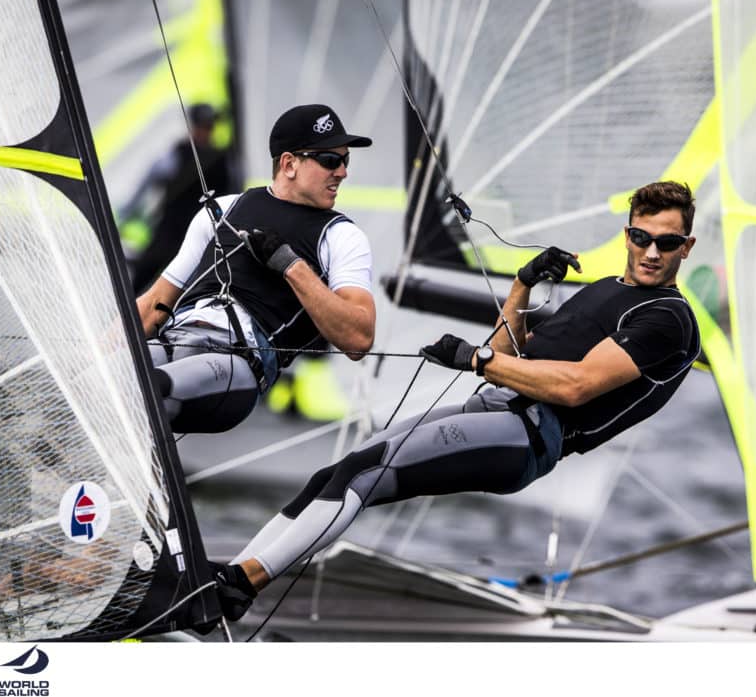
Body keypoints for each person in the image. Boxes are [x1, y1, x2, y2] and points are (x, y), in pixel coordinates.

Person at [210, 180, 701, 620]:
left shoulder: (667, 318)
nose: (652, 252)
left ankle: (237, 586)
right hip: (495, 409)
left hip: (527, 436)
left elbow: (574, 386)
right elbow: (514, 351)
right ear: (628, 234)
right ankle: (230, 577)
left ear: (687, 247)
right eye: (642, 237)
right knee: (337, 472)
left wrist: (473, 358)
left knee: (364, 473)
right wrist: (522, 286)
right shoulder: (606, 289)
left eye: (668, 243)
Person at [136, 104, 377, 434]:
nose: (342, 172)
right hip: (178, 338)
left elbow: (359, 338)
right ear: (289, 164)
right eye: (330, 161)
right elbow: (152, 307)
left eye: (344, 160)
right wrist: (84, 361)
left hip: (235, 366)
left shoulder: (342, 237)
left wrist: (291, 265)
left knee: (148, 388)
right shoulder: (221, 209)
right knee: (110, 377)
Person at [124, 103, 236, 293]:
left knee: (187, 286)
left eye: (209, 126)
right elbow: (151, 180)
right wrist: (128, 213)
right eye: (203, 126)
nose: (206, 131)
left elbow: (231, 192)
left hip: (201, 231)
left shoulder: (221, 159)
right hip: (170, 229)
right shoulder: (179, 152)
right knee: (143, 276)